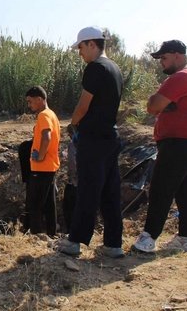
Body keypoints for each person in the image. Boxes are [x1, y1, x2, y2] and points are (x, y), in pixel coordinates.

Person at [132, 40, 187, 253]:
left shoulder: (182, 77)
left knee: (160, 187)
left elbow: (153, 106)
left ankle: (148, 239)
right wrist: (165, 105)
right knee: (184, 190)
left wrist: (159, 103)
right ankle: (186, 238)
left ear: (177, 55)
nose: (161, 63)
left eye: (163, 58)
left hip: (181, 142)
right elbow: (159, 106)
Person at [55, 26, 124, 258]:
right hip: (110, 138)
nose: (80, 53)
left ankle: (74, 242)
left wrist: (73, 124)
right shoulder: (114, 68)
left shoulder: (95, 69)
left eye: (81, 48)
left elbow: (84, 105)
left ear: (92, 44)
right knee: (110, 192)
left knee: (87, 191)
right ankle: (114, 244)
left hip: (93, 140)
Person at [24, 86, 60, 236]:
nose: (29, 105)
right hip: (49, 167)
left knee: (35, 204)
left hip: (42, 167)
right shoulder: (52, 114)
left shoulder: (43, 115)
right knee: (49, 204)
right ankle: (51, 233)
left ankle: (36, 235)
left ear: (39, 99)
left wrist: (40, 156)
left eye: (30, 101)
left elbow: (47, 137)